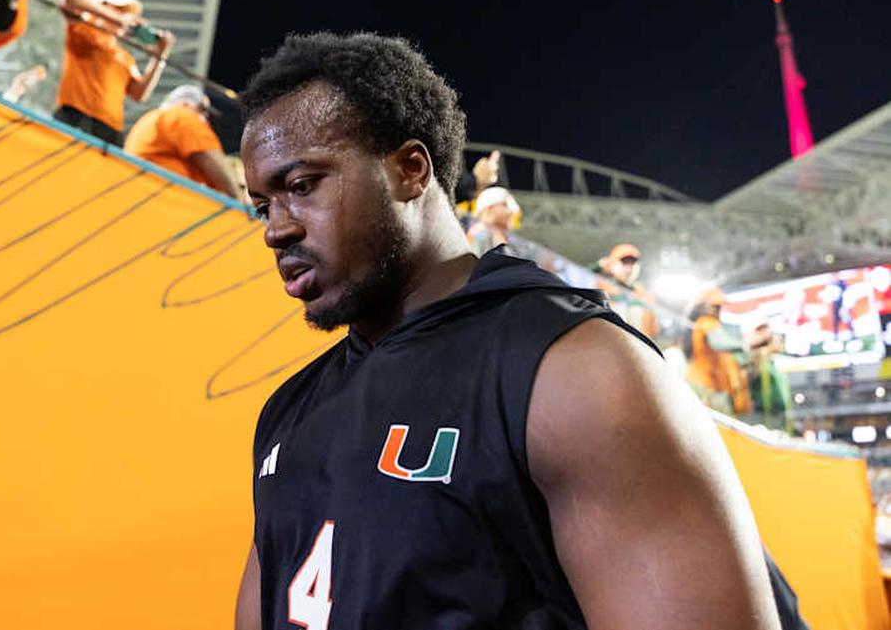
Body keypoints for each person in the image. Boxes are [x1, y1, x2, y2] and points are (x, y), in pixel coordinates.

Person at [234, 32, 805, 630]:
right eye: (261, 205)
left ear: (410, 170)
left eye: (301, 186)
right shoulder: (288, 410)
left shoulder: (575, 369)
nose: (276, 230)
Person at [53, 0, 174, 145]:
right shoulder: (85, 31)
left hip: (110, 130)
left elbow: (139, 94)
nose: (123, 15)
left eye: (124, 11)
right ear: (102, 7)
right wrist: (118, 19)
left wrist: (160, 56)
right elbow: (70, 0)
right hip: (77, 117)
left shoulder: (125, 57)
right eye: (118, 9)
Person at [124, 84, 244, 200]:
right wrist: (243, 207)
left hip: (143, 196)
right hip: (166, 201)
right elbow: (215, 164)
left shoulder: (150, 120)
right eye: (202, 110)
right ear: (185, 103)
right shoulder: (181, 115)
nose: (205, 118)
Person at [686, 287, 753, 416]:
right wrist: (745, 345)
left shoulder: (707, 324)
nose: (718, 310)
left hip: (709, 386)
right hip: (705, 387)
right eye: (714, 306)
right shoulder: (706, 322)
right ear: (703, 307)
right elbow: (719, 343)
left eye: (719, 307)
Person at [591, 243, 659, 338]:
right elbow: (579, 282)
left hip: (636, 347)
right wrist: (598, 266)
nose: (628, 268)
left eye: (632, 264)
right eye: (624, 262)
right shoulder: (602, 286)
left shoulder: (643, 294)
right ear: (612, 264)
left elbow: (653, 331)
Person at [464, 185, 520, 256]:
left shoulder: (505, 236)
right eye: (504, 205)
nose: (510, 212)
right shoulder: (479, 235)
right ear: (489, 208)